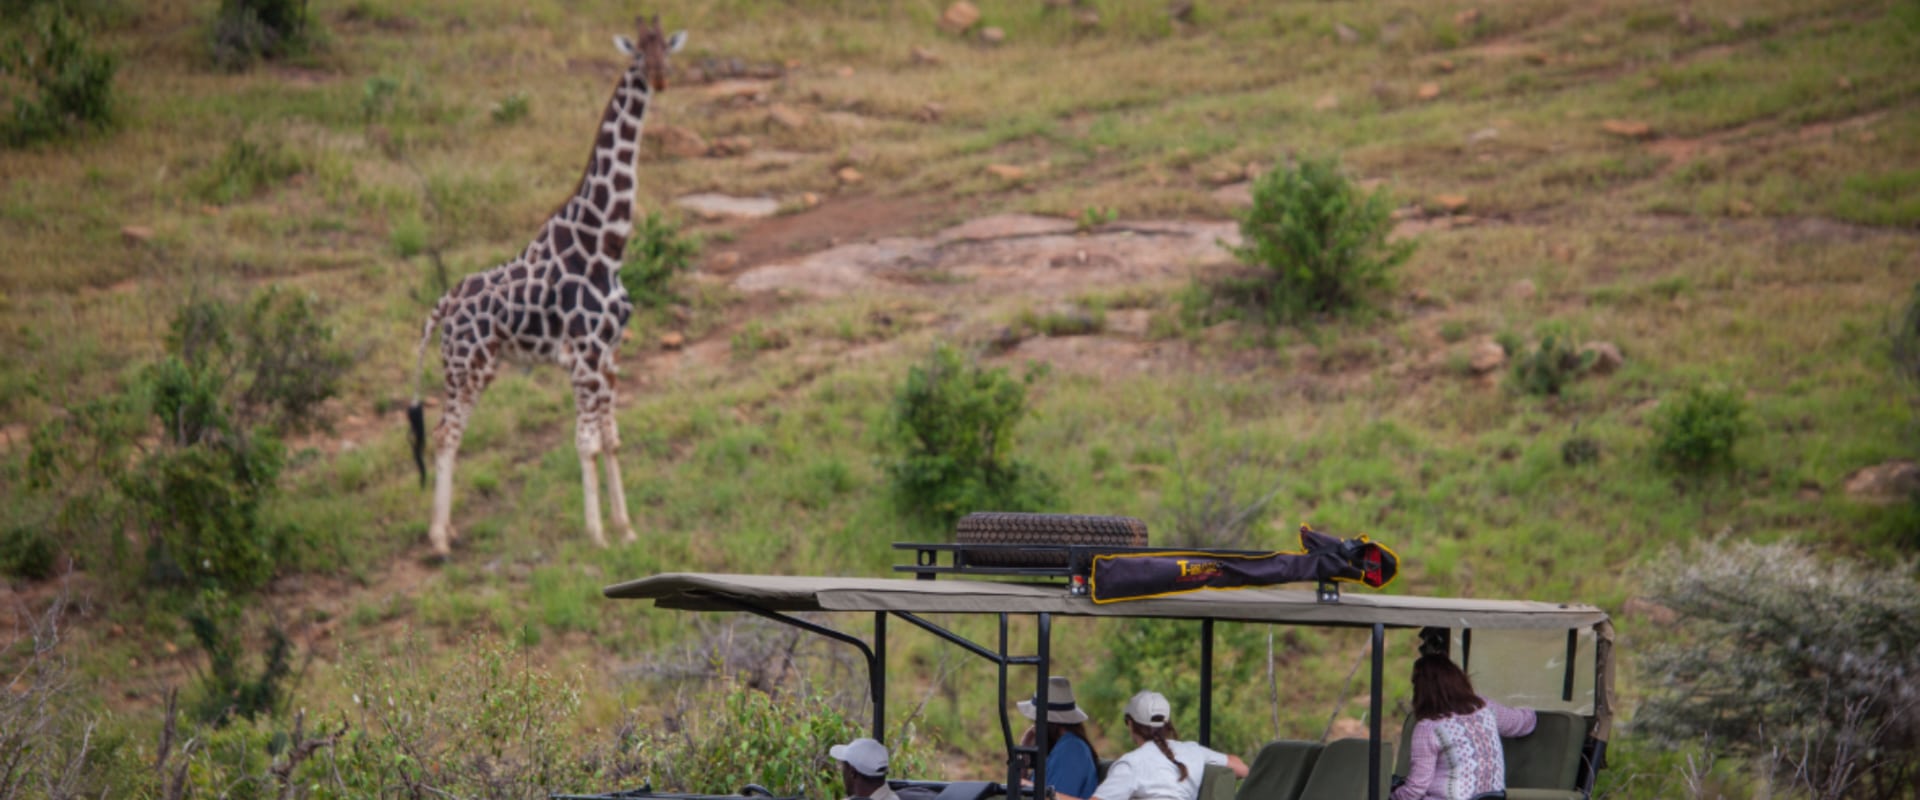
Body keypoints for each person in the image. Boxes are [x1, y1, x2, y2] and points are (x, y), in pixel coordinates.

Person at [1391, 654, 1538, 800]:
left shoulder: (1428, 728)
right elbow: (1525, 723)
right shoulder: (1485, 708)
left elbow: (1416, 789)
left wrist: (1390, 795)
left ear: (1421, 690)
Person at [1069, 691, 1249, 800]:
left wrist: (1051, 796)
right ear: (1167, 723)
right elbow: (1242, 769)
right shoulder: (1192, 751)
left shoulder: (1131, 764)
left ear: (1130, 724)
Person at [1016, 676, 1101, 800]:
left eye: (1036, 721)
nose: (1034, 727)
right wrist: (1024, 749)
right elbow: (1020, 790)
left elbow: (1051, 796)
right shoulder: (1059, 749)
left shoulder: (1071, 749)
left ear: (1048, 722)